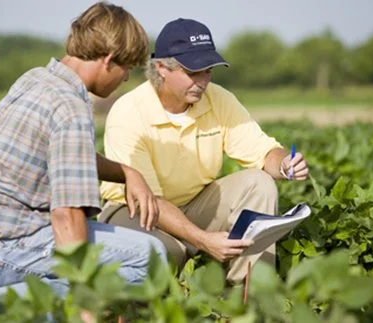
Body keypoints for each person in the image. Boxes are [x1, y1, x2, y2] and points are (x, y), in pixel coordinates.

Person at [0, 2, 167, 299]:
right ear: (109, 59)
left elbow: (72, 158)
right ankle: (0, 306)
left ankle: (12, 299)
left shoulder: (36, 79)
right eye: (128, 68)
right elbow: (66, 215)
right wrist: (82, 293)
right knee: (150, 257)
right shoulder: (70, 106)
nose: (126, 78)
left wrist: (126, 172)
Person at [99, 18, 309, 283]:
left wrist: (284, 164)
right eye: (193, 72)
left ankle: (249, 293)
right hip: (136, 210)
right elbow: (149, 199)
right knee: (166, 253)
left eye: (208, 70)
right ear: (162, 68)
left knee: (260, 183)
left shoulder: (219, 99)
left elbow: (263, 151)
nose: (202, 81)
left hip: (194, 203)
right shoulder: (129, 111)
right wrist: (203, 240)